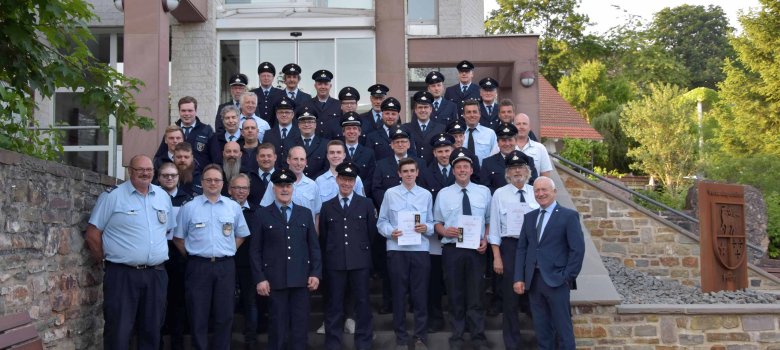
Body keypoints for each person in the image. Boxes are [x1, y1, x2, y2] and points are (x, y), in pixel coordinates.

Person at [86, 155, 175, 350]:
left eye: (149, 169)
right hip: (123, 274)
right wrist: (103, 259)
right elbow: (93, 233)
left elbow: (167, 230)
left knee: (152, 329)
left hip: (156, 275)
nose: (145, 173)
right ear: (130, 171)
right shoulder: (112, 196)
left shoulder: (163, 196)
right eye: (139, 169)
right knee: (119, 329)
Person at [173, 164, 250, 350]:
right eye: (209, 180)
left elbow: (242, 234)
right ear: (202, 183)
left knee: (225, 315)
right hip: (198, 267)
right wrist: (194, 255)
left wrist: (228, 249)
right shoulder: (189, 207)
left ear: (223, 184)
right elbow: (178, 238)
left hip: (225, 267)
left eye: (217, 180)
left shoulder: (233, 207)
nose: (213, 183)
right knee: (198, 315)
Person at [250, 168, 323, 350]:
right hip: (275, 281)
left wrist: (315, 273)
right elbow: (255, 250)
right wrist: (260, 278)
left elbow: (313, 246)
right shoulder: (262, 214)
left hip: (301, 280)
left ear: (293, 188)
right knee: (277, 328)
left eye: (288, 185)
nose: (284, 189)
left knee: (300, 328)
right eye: (280, 185)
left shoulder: (305, 213)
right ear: (273, 188)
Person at [513, 176, 585, 350]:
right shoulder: (530, 217)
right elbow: (522, 249)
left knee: (563, 330)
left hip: (557, 282)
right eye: (537, 190)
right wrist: (519, 278)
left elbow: (577, 250)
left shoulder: (569, 216)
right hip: (534, 282)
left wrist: (567, 276)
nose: (540, 193)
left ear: (554, 191)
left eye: (544, 189)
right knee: (542, 330)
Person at [433, 149, 491, 350]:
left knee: (476, 293)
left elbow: (490, 221)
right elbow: (436, 223)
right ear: (453, 170)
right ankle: (457, 335)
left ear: (471, 169)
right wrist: (444, 231)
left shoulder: (484, 192)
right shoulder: (443, 194)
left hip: (476, 250)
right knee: (455, 293)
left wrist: (485, 239)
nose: (462, 170)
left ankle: (478, 336)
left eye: (466, 166)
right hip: (452, 250)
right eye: (458, 166)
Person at [377, 157, 435, 350]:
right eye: (405, 171)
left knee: (420, 295)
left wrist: (425, 227)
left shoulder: (426, 195)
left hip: (420, 250)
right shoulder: (390, 194)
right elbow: (381, 221)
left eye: (412, 171)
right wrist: (390, 232)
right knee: (399, 294)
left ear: (417, 173)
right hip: (397, 250)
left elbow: (433, 224)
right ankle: (401, 337)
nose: (409, 174)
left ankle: (420, 337)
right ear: (399, 174)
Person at [318, 162, 376, 350]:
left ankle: (364, 343)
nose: (346, 183)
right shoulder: (327, 206)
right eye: (343, 179)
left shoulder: (366, 204)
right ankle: (333, 343)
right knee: (334, 305)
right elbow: (325, 236)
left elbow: (371, 234)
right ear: (337, 179)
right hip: (335, 263)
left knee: (363, 304)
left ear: (355, 182)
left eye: (350, 180)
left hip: (360, 262)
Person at [488, 151, 540, 350]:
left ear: (528, 171)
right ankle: (512, 344)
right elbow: (494, 228)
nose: (517, 171)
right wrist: (497, 257)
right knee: (510, 299)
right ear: (507, 173)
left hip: (534, 248)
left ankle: (540, 341)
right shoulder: (499, 194)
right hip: (509, 247)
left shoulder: (537, 191)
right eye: (513, 168)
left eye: (520, 168)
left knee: (536, 294)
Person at [415, 133, 455, 333]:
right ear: (434, 152)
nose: (444, 154)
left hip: (457, 235)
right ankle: (435, 317)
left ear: (452, 150)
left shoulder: (460, 170)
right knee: (434, 280)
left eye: (447, 150)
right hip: (433, 237)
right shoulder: (425, 173)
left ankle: (457, 318)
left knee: (454, 279)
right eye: (440, 151)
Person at [229, 173, 265, 349]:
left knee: (251, 303)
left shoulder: (258, 211)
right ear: (230, 189)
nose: (241, 191)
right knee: (226, 303)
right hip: (226, 263)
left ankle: (251, 340)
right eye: (237, 187)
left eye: (244, 188)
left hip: (250, 265)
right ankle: (225, 340)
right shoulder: (223, 207)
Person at [260, 146, 322, 225]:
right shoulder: (274, 183)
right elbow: (265, 209)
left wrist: (315, 235)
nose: (299, 163)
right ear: (288, 160)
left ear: (306, 162)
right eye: (295, 159)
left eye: (302, 159)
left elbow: (317, 215)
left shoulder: (313, 185)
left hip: (305, 233)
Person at [154, 96, 214, 172]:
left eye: (190, 110)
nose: (186, 114)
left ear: (195, 111)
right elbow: (159, 156)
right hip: (174, 176)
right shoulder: (172, 131)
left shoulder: (206, 130)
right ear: (179, 111)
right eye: (183, 110)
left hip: (199, 177)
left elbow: (215, 159)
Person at [481, 122, 538, 194]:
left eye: (510, 140)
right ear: (498, 143)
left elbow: (534, 185)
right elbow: (485, 189)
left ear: (516, 141)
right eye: (503, 140)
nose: (507, 144)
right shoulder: (488, 163)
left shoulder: (528, 161)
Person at [282, 109, 330, 178]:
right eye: (303, 122)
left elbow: (326, 167)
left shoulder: (325, 144)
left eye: (310, 122)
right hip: (295, 183)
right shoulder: (289, 143)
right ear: (298, 125)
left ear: (315, 125)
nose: (306, 125)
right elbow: (286, 165)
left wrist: (312, 182)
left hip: (318, 183)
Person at [365, 97, 416, 162]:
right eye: (387, 113)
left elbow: (413, 156)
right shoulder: (372, 136)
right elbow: (369, 160)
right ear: (382, 115)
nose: (390, 117)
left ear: (398, 116)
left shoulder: (408, 133)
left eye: (393, 114)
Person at [315, 140, 366, 204]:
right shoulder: (319, 181)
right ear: (327, 156)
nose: (335, 155)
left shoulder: (356, 179)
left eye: (338, 152)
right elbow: (317, 207)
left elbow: (362, 203)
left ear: (344, 155)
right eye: (332, 152)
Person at [403, 90, 445, 164]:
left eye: (426, 107)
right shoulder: (406, 128)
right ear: (415, 110)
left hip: (432, 170)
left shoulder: (441, 129)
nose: (423, 110)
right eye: (420, 107)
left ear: (431, 109)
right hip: (412, 170)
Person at [342, 112, 377, 195]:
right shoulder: (338, 152)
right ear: (343, 132)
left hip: (362, 196)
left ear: (360, 132)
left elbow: (371, 177)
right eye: (348, 128)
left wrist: (359, 192)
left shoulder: (369, 153)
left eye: (354, 128)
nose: (351, 131)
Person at [513, 112, 552, 184]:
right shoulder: (506, 148)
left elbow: (545, 177)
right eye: (518, 124)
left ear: (529, 127)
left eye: (524, 124)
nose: (521, 127)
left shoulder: (540, 148)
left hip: (533, 192)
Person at [300, 69, 340, 135]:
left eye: (326, 84)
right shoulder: (306, 104)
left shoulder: (338, 105)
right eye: (320, 84)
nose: (323, 87)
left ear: (330, 86)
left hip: (333, 143)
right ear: (315, 86)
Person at [462, 99, 498, 165]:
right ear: (463, 115)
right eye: (468, 112)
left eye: (475, 112)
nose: (472, 115)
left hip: (484, 173)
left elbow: (495, 157)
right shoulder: (458, 135)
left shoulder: (490, 134)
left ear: (480, 114)